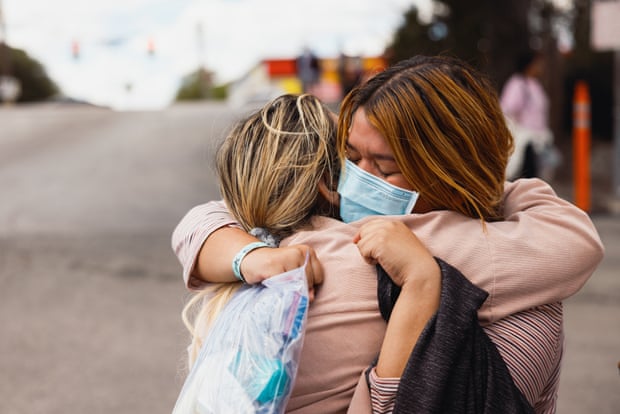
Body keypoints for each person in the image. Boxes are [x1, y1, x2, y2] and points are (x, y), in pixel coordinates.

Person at [172, 56, 604, 413]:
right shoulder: (504, 271)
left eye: (385, 166)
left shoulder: (302, 236)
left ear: (449, 172)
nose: (359, 180)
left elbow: (203, 220)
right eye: (353, 158)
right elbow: (572, 238)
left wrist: (247, 256)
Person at [181, 93, 339, 364]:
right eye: (355, 156)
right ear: (327, 182)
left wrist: (251, 257)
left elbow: (193, 223)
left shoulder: (244, 243)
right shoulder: (349, 251)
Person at [500, 51, 560, 181]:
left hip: (539, 140)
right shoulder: (517, 84)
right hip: (525, 141)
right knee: (527, 177)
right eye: (537, 64)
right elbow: (508, 109)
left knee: (537, 177)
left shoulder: (535, 85)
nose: (540, 67)